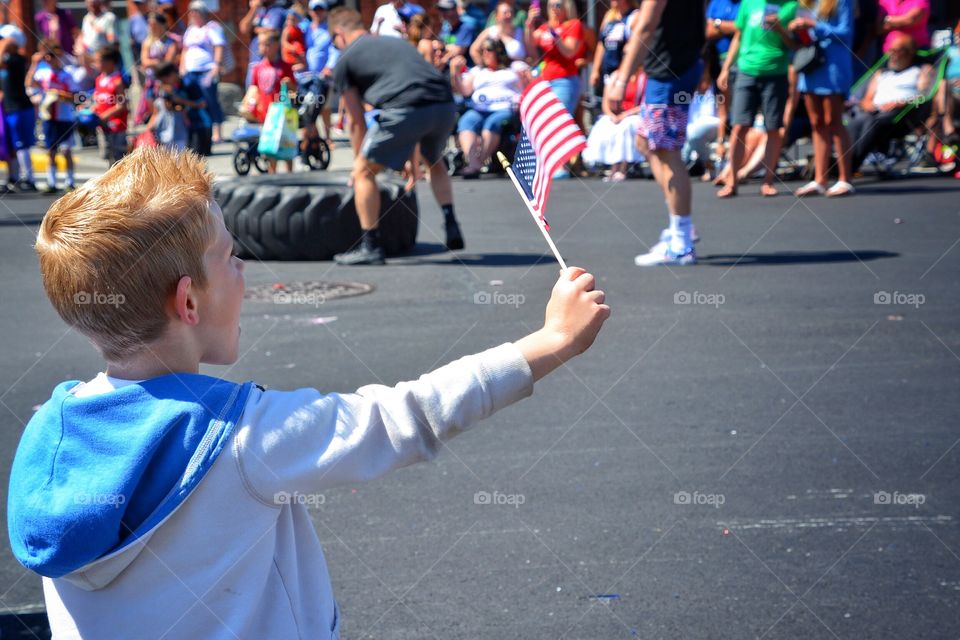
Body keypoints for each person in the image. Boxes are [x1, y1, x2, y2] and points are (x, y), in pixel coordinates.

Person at [9, 145, 610, 640]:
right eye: (230, 256)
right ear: (189, 301)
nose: (244, 269)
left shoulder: (51, 432)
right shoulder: (242, 434)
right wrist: (552, 341)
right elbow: (409, 416)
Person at [329, 7, 463, 264]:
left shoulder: (345, 59)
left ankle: (370, 247)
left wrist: (360, 164)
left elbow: (357, 123)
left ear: (339, 34)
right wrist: (410, 160)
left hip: (407, 108)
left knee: (363, 173)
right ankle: (451, 223)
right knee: (434, 160)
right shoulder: (394, 42)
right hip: (444, 104)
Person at [606, 0, 705, 266]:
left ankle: (682, 241)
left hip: (670, 73)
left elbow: (648, 24)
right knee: (645, 142)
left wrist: (622, 79)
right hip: (670, 69)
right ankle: (679, 226)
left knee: (665, 149)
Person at [717, 0, 799, 198]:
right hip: (746, 70)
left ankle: (768, 182)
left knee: (773, 128)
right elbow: (738, 35)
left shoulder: (792, 6)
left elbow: (795, 44)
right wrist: (726, 68)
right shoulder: (749, 3)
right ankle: (732, 181)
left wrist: (780, 28)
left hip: (775, 72)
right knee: (739, 126)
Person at [790, 0, 856, 197]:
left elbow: (845, 32)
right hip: (811, 66)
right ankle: (820, 179)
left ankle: (845, 179)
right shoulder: (806, 2)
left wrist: (813, 25)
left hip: (833, 66)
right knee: (817, 123)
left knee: (833, 122)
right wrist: (798, 29)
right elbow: (805, 38)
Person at [847, 34, 934, 172]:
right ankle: (842, 163)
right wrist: (869, 106)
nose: (891, 55)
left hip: (900, 115)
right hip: (874, 111)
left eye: (896, 51)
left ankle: (848, 167)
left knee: (872, 123)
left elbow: (924, 96)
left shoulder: (921, 70)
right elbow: (867, 97)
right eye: (890, 50)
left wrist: (900, 103)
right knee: (857, 120)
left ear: (909, 52)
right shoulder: (881, 73)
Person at [450, 40, 528, 178]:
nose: (484, 53)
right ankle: (473, 163)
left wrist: (525, 80)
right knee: (466, 121)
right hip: (480, 110)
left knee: (492, 123)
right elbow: (464, 90)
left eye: (488, 49)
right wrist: (455, 73)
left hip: (505, 109)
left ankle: (479, 162)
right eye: (483, 50)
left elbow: (528, 86)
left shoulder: (514, 67)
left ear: (498, 51)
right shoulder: (478, 71)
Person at [27, 39, 79, 193]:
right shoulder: (42, 72)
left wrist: (61, 95)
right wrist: (34, 64)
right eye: (47, 56)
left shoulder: (67, 74)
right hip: (48, 117)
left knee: (66, 151)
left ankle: (69, 181)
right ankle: (52, 182)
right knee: (50, 151)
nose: (49, 59)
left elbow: (76, 96)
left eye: (52, 55)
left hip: (65, 117)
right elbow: (29, 83)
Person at [583, 71, 646, 182]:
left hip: (634, 115)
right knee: (604, 124)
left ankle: (622, 168)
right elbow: (605, 103)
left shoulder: (644, 77)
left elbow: (645, 105)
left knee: (626, 126)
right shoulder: (615, 76)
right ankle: (612, 166)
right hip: (615, 116)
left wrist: (625, 115)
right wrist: (612, 116)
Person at [525, 0, 584, 116]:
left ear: (566, 7)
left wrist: (555, 35)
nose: (553, 9)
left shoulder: (573, 24)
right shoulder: (544, 27)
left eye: (557, 5)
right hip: (545, 80)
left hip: (565, 80)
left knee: (559, 118)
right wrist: (529, 24)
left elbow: (569, 52)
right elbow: (530, 45)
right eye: (550, 5)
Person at [181, 1, 226, 147]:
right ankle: (198, 131)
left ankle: (217, 131)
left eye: (196, 11)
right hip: (191, 71)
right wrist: (182, 67)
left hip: (207, 70)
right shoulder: (190, 30)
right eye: (191, 12)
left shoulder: (212, 28)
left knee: (210, 101)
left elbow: (218, 47)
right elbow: (185, 50)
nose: (193, 15)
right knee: (193, 102)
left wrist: (216, 67)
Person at [250, 32, 297, 173]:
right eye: (260, 44)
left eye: (266, 44)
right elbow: (255, 89)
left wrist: (290, 85)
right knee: (270, 147)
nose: (263, 48)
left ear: (276, 45)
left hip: (282, 114)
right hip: (266, 113)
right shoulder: (258, 67)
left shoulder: (285, 66)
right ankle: (272, 175)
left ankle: (290, 175)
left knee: (286, 144)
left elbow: (295, 89)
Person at [0, 38, 37, 192]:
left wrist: (5, 44)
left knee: (21, 144)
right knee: (12, 145)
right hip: (9, 108)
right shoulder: (8, 60)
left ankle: (29, 179)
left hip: (20, 108)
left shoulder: (17, 59)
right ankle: (13, 178)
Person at [156, 61, 211, 157]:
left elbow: (203, 104)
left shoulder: (189, 83)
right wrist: (166, 95)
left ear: (172, 75)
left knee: (195, 159)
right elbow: (171, 108)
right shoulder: (173, 88)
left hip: (200, 125)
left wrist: (180, 100)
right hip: (186, 128)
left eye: (165, 80)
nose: (164, 83)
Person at [136, 12, 180, 126]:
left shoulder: (171, 41)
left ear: (162, 25)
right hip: (151, 81)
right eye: (150, 24)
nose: (152, 27)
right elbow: (144, 61)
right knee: (153, 110)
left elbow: (168, 62)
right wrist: (157, 62)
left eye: (154, 24)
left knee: (168, 108)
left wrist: (154, 63)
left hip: (166, 81)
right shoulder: (148, 42)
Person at [682, 68, 723, 181]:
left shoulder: (715, 89)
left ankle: (685, 166)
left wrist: (721, 140)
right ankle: (705, 167)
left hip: (714, 124)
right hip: (694, 129)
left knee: (693, 133)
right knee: (691, 134)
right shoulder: (690, 93)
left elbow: (723, 115)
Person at [92, 46, 128, 166]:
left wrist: (105, 116)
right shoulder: (99, 79)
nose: (95, 64)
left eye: (98, 61)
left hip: (116, 125)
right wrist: (93, 109)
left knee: (118, 157)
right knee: (107, 155)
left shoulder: (117, 81)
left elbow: (121, 105)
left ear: (109, 62)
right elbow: (98, 100)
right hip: (103, 125)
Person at [240, 0, 287, 86]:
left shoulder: (277, 11)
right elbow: (244, 28)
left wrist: (254, 29)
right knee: (251, 93)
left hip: (269, 64)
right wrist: (254, 8)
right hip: (254, 62)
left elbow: (271, 31)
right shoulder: (258, 11)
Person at [438, 0, 481, 65]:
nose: (442, 13)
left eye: (446, 10)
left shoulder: (466, 27)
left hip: (464, 70)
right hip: (445, 68)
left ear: (456, 10)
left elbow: (458, 51)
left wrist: (442, 46)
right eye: (440, 9)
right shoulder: (445, 28)